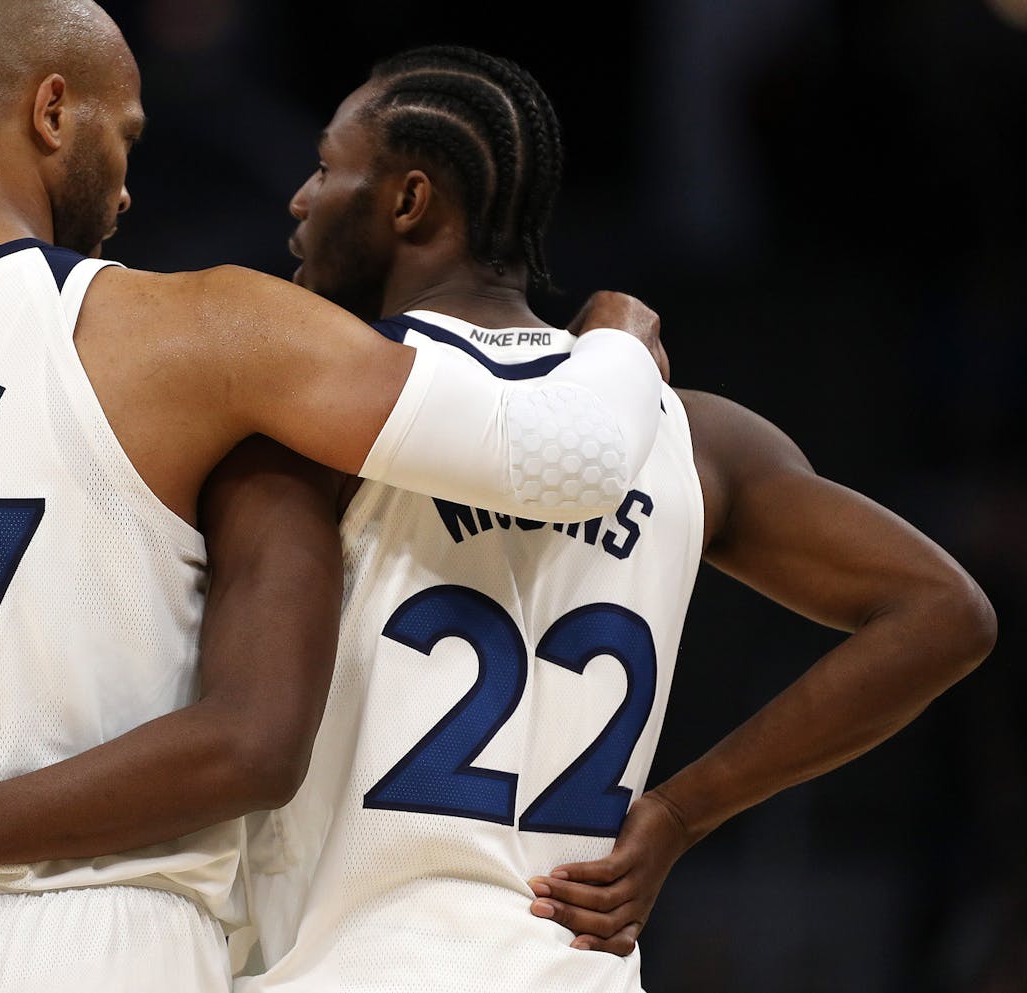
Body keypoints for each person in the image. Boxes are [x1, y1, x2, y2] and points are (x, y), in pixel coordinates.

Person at [0, 2, 669, 990]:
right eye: (122, 137)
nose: (126, 189)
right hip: (99, 931)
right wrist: (612, 340)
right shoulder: (182, 330)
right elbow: (572, 455)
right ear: (52, 113)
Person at [227, 44, 997, 991]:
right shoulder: (691, 434)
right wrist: (680, 813)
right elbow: (945, 612)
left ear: (408, 202)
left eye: (325, 166)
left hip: (361, 962)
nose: (301, 199)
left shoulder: (320, 411)